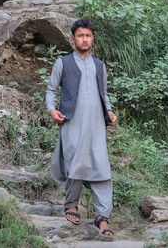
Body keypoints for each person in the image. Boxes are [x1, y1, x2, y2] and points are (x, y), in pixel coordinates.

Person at [45, 18, 118, 237]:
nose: (84, 39)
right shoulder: (63, 63)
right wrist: (52, 110)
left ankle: (102, 217)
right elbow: (51, 90)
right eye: (80, 35)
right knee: (75, 164)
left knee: (101, 167)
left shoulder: (99, 66)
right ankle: (71, 205)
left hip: (96, 125)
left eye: (88, 36)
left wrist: (110, 111)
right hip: (72, 123)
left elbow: (103, 94)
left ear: (92, 39)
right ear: (73, 38)